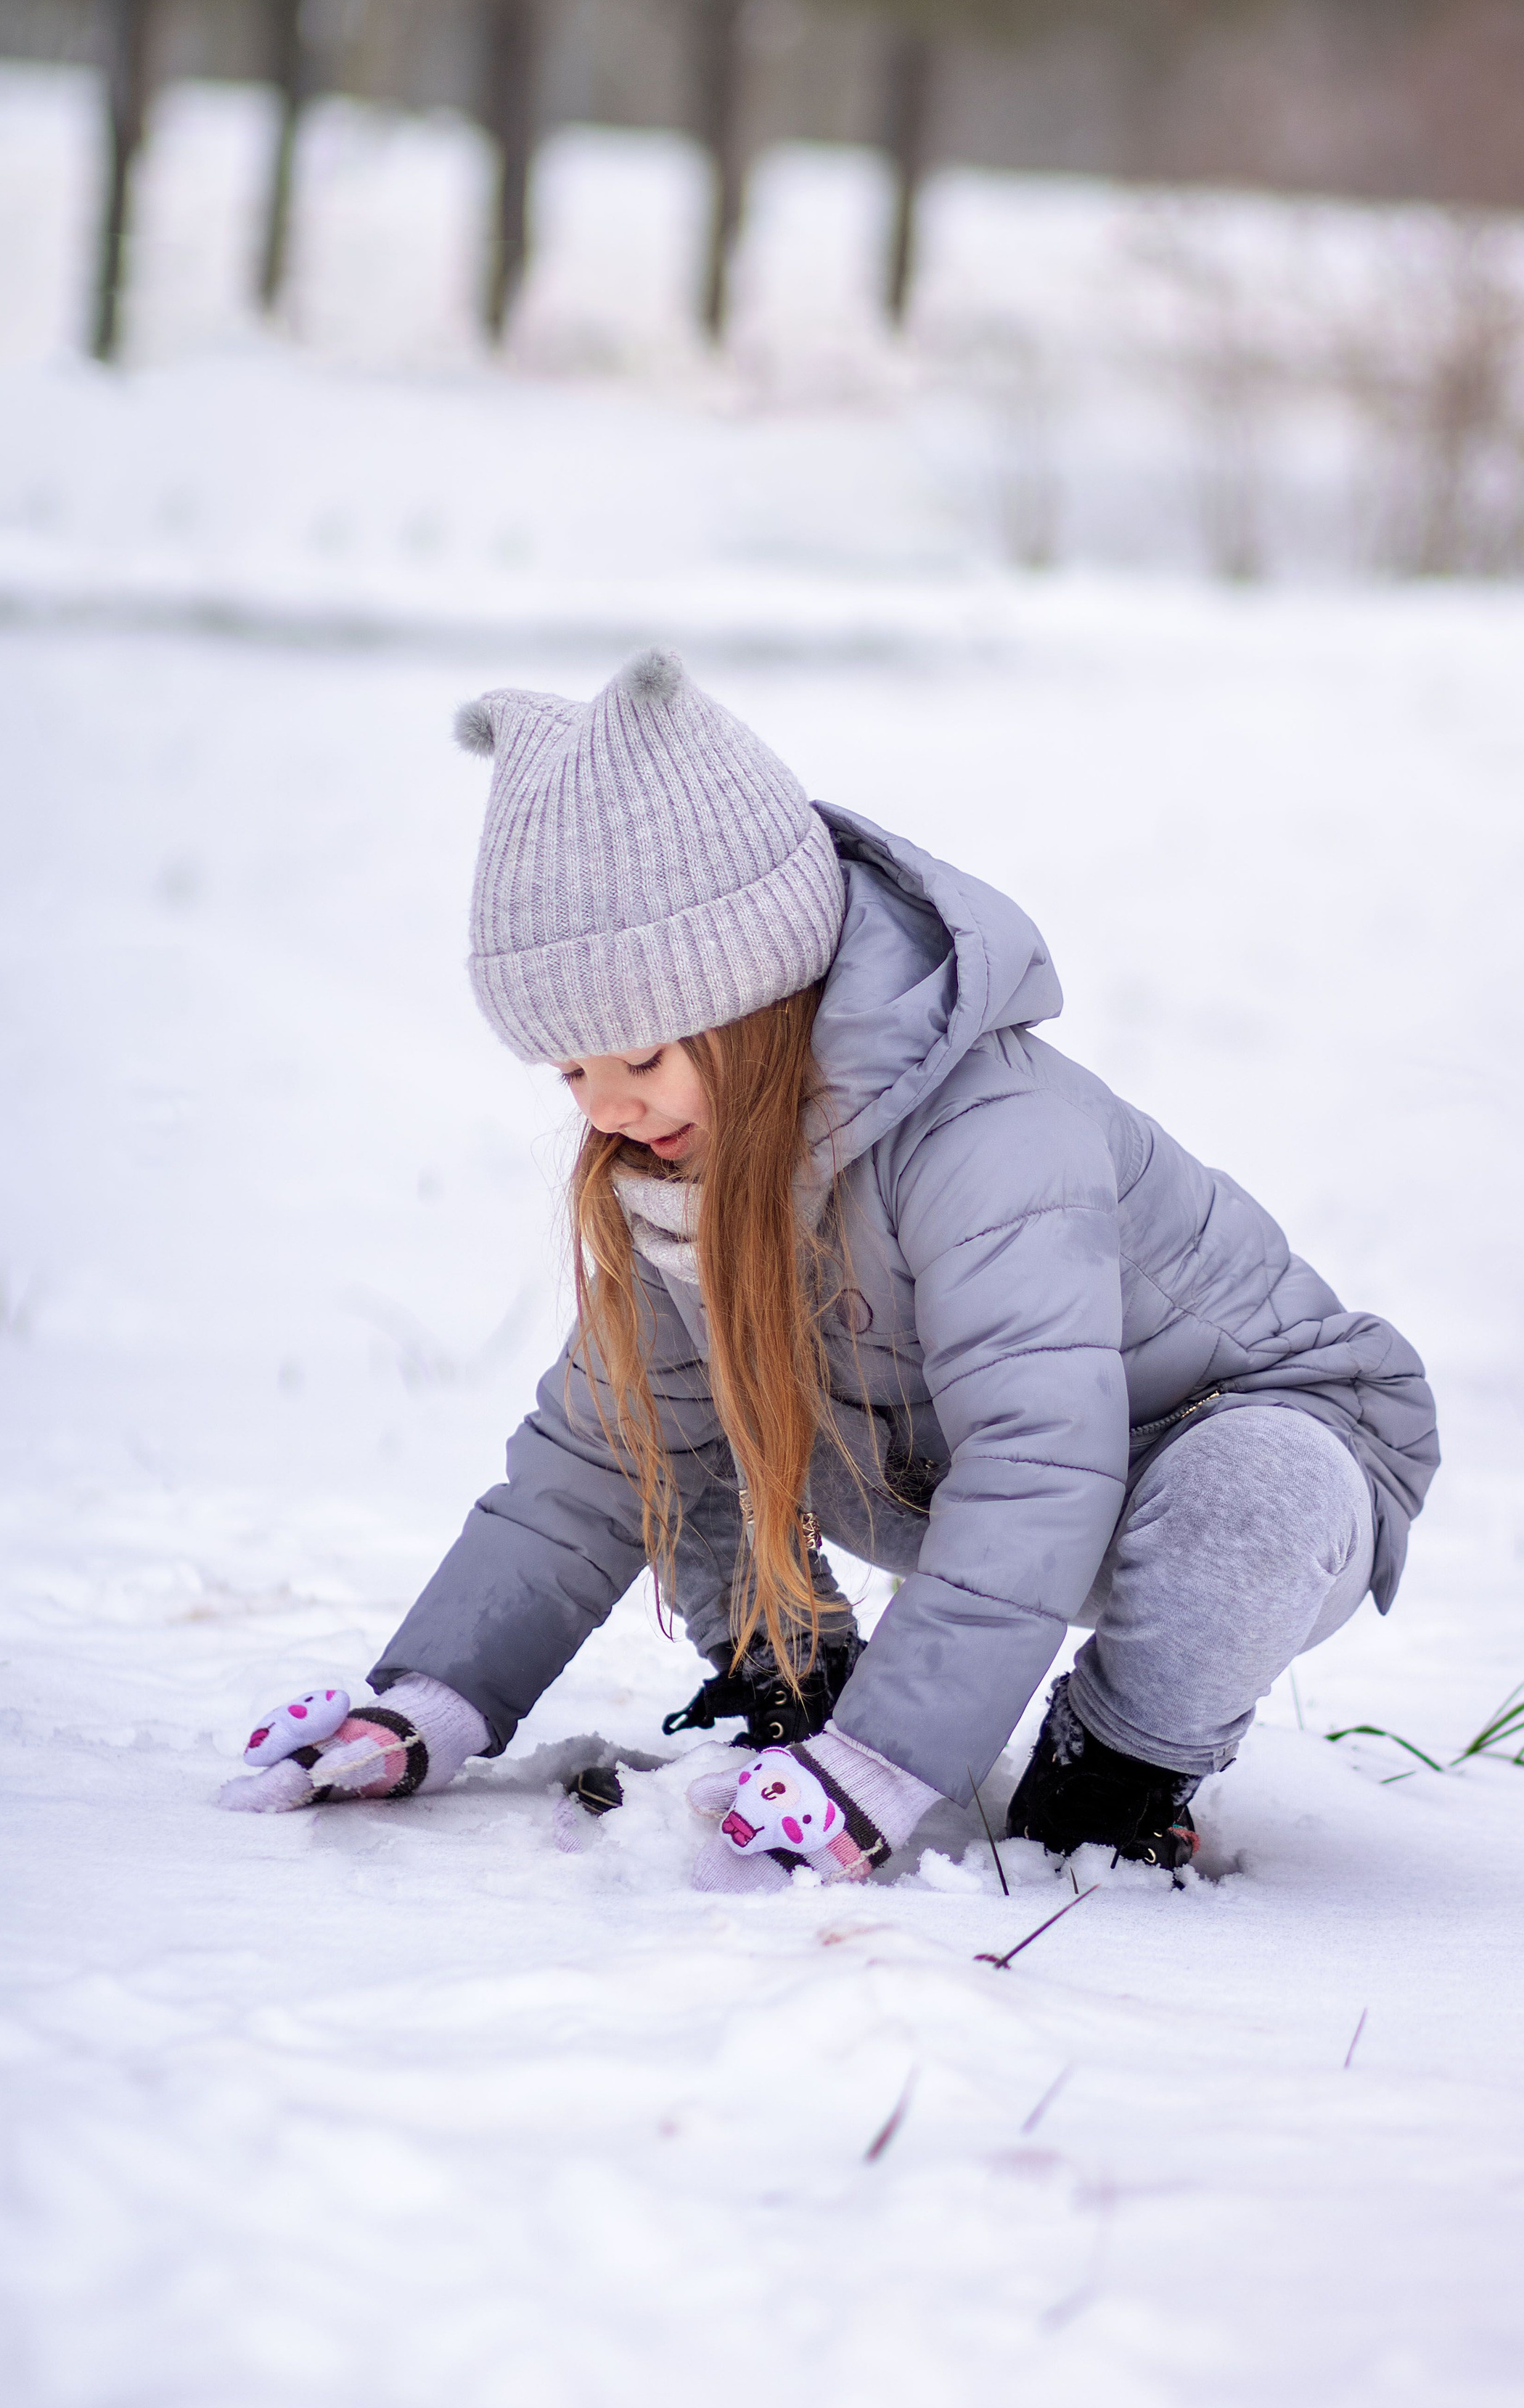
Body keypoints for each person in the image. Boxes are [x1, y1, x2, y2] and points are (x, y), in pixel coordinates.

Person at [223, 648, 1438, 1890]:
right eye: (570, 1072)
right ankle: (793, 1686)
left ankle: (1115, 1773)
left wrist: (893, 1763)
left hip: (1206, 1456)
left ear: (752, 998)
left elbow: (1040, 1461)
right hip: (954, 1477)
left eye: (637, 1054)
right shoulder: (682, 1170)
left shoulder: (993, 1138)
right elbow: (597, 1458)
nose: (609, 1107)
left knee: (1258, 1490)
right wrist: (428, 1701)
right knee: (680, 1402)